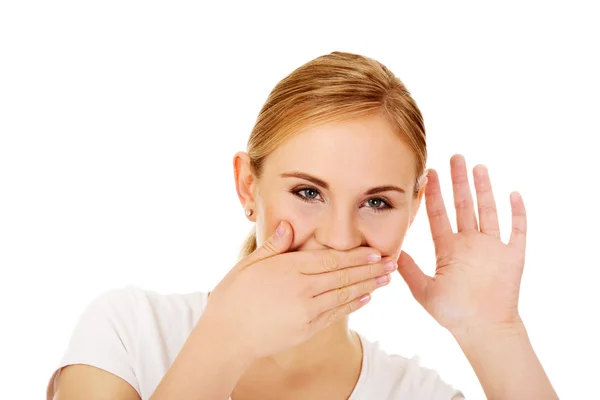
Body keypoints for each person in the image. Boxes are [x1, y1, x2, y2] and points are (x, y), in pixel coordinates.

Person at [47, 51, 558, 400]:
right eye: (308, 193)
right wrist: (223, 341)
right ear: (249, 186)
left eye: (377, 202)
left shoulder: (411, 391)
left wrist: (495, 335)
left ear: (413, 207)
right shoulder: (130, 331)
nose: (338, 238)